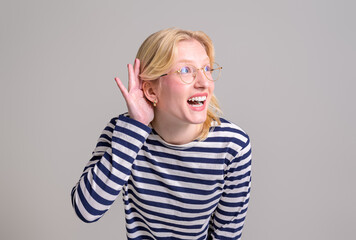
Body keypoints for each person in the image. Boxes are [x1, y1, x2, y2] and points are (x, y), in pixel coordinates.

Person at [71, 28, 252, 240]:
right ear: (151, 91)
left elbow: (226, 236)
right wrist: (136, 126)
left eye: (207, 69)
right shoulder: (125, 132)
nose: (204, 83)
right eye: (186, 70)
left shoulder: (233, 146)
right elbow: (87, 210)